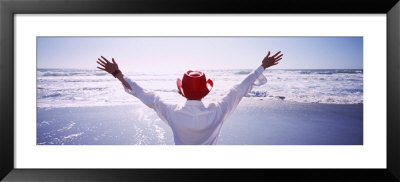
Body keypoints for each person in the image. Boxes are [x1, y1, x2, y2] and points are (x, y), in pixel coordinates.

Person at [96, 51, 283, 145]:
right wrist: (261, 67)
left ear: (182, 91)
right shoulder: (218, 110)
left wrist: (118, 74)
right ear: (206, 91)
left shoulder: (172, 112)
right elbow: (240, 88)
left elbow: (141, 92)